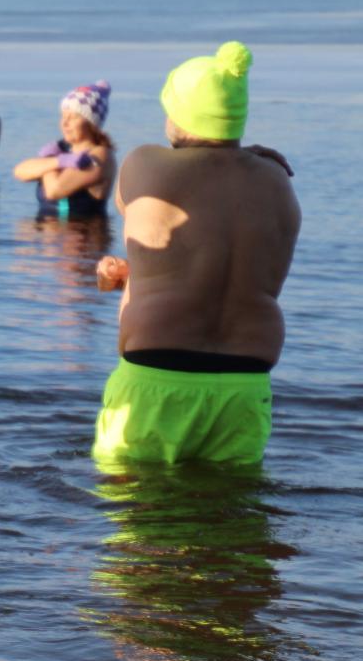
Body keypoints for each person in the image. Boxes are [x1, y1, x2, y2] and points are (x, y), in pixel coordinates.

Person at [93, 42, 300, 466]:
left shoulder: (145, 165)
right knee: (234, 518)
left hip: (156, 374)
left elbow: (128, 208)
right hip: (245, 381)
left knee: (133, 511)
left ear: (179, 115)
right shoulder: (278, 182)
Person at [12, 81, 117, 218]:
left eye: (73, 117)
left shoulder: (101, 156)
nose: (64, 123)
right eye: (63, 116)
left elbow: (54, 191)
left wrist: (49, 161)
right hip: (49, 234)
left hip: (84, 235)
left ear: (92, 123)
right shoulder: (60, 151)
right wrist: (58, 160)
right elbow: (20, 172)